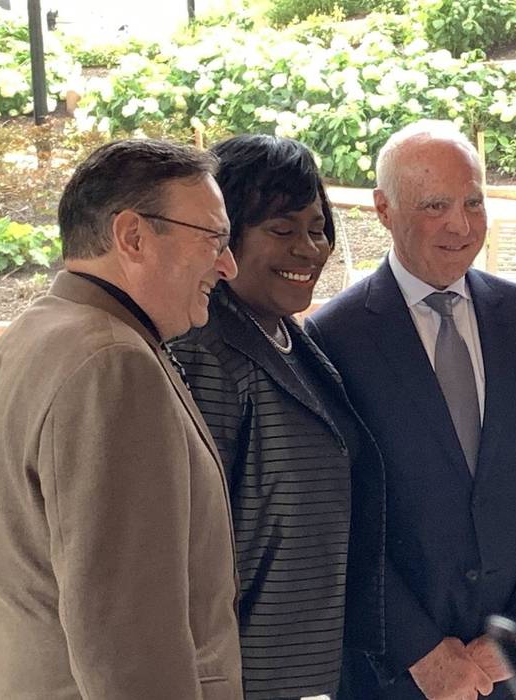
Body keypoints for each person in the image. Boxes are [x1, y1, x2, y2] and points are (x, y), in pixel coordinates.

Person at [305, 120, 516, 700]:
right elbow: (338, 517)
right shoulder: (334, 337)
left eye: (473, 202)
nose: (461, 226)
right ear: (383, 209)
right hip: (398, 671)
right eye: (435, 205)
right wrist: (419, 651)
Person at [0, 139, 243, 697]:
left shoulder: (36, 331)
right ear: (132, 236)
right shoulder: (112, 364)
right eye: (214, 239)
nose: (228, 266)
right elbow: (127, 644)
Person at [170, 135, 385, 698]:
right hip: (247, 672)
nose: (309, 249)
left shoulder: (292, 337)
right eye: (282, 230)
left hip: (313, 663)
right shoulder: (206, 351)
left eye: (318, 229)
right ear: (225, 238)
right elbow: (189, 550)